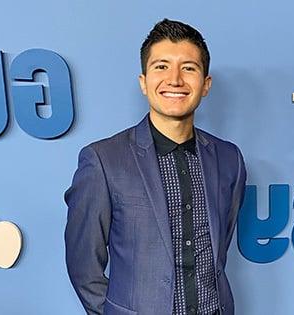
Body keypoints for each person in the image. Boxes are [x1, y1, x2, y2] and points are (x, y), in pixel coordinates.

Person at [64, 19, 246, 315]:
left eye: (189, 68)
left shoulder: (230, 159)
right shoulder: (103, 160)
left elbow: (221, 244)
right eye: (161, 66)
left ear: (206, 85)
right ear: (143, 82)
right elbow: (84, 266)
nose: (175, 79)